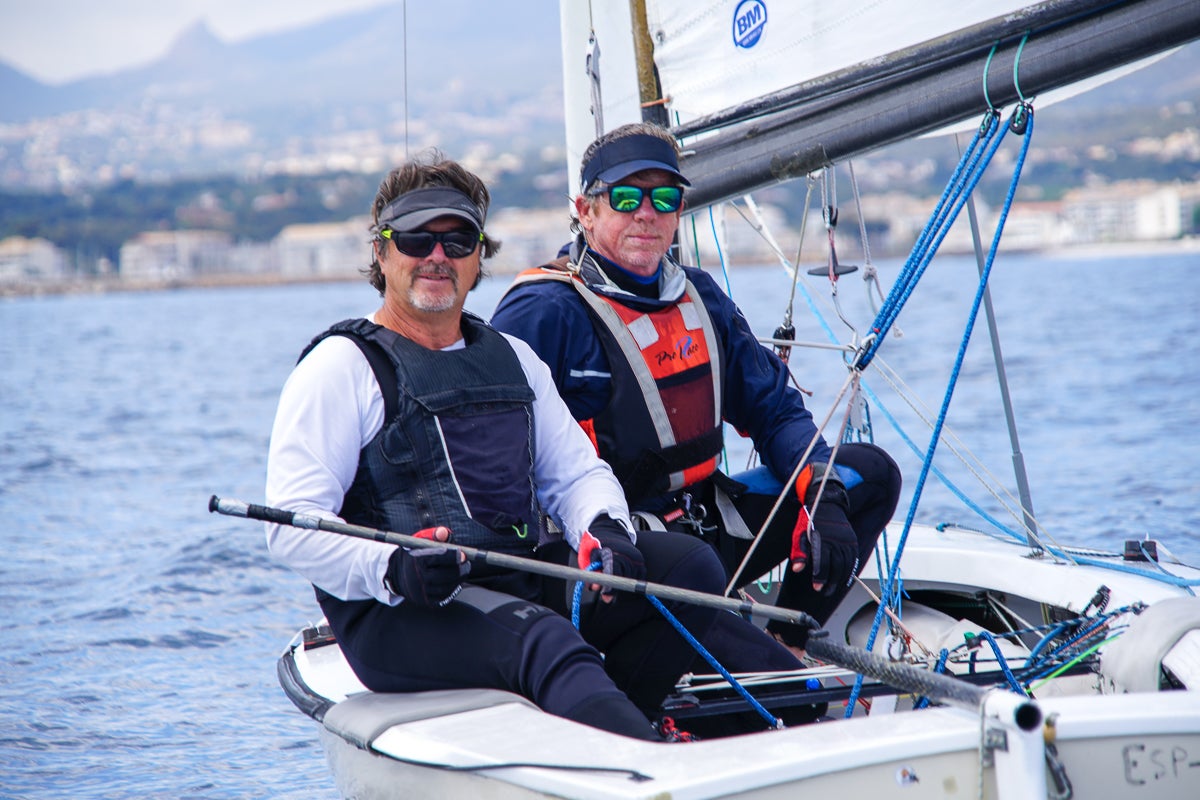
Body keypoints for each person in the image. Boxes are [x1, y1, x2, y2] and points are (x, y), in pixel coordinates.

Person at [264, 150, 807, 744]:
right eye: (418, 240)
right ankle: (653, 766)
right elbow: (292, 525)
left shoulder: (513, 359)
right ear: (383, 251)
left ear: (479, 257)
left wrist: (606, 529)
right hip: (398, 611)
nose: (438, 257)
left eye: (458, 239)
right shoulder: (340, 367)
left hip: (512, 579)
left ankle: (644, 717)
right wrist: (391, 566)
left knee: (687, 568)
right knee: (543, 639)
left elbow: (576, 475)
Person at [491, 123, 902, 656]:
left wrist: (821, 496)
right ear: (585, 210)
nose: (647, 212)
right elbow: (492, 458)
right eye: (625, 197)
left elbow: (775, 411)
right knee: (794, 696)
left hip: (708, 528)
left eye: (664, 197)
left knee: (866, 475)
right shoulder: (543, 312)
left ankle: (787, 640)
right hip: (613, 559)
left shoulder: (700, 297)